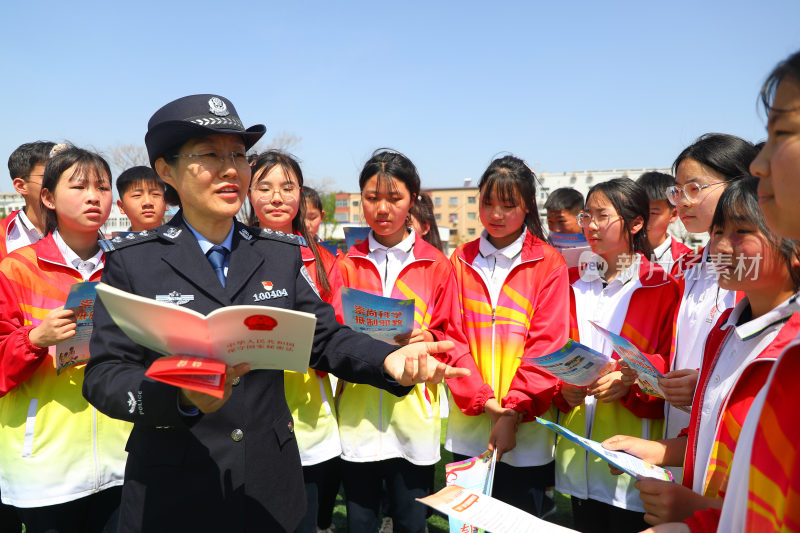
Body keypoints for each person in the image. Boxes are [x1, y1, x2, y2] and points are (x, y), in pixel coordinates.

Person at [81, 94, 469, 533]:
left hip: (269, 486)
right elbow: (104, 375)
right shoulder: (134, 262)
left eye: (238, 156)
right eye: (210, 155)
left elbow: (323, 338)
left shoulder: (276, 254)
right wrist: (179, 397)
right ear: (166, 170)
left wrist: (385, 360)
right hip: (174, 488)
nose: (231, 169)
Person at [602, 177, 800, 527]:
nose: (722, 246)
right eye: (718, 232)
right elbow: (714, 429)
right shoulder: (724, 331)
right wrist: (657, 451)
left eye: (741, 231)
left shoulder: (790, 353)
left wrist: (699, 513)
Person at [336, 149, 484, 533]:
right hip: (358, 415)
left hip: (415, 417)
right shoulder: (346, 263)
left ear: (413, 200)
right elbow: (331, 332)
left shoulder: (436, 264)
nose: (382, 208)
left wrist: (428, 336)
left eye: (394, 198)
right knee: (360, 523)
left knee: (411, 521)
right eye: (371, 198)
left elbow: (452, 332)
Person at [0, 144, 132, 533]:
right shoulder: (16, 269)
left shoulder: (127, 267)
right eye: (78, 187)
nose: (94, 196)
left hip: (124, 460)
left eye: (103, 187)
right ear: (47, 197)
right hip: (45, 468)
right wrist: (35, 339)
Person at [446, 155, 569, 517]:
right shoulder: (460, 260)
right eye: (487, 202)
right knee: (470, 522)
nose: (495, 214)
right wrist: (485, 402)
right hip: (471, 425)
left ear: (528, 206)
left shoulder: (548, 263)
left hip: (527, 431)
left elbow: (548, 344)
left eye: (508, 204)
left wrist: (512, 411)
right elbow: (452, 337)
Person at [554, 178, 679, 533]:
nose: (591, 226)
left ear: (635, 223)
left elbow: (672, 365)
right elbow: (552, 351)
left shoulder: (662, 287)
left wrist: (630, 382)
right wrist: (562, 388)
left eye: (602, 216)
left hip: (631, 457)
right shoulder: (571, 283)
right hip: (577, 454)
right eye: (586, 216)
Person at [247, 150, 342, 533]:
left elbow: (334, 333)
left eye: (288, 188)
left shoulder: (324, 260)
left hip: (312, 414)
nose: (276, 197)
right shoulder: (233, 252)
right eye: (264, 187)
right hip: (254, 412)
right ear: (247, 193)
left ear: (300, 194)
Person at [659, 134, 757, 474]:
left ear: (740, 183)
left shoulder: (760, 275)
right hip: (680, 444)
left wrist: (705, 381)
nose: (681, 201)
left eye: (694, 188)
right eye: (676, 190)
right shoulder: (686, 268)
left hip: (733, 448)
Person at [1, 141, 55, 258]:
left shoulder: (86, 234)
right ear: (21, 186)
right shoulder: (3, 236)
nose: (59, 183)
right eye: (50, 176)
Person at [636, 171, 691, 275]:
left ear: (674, 215)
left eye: (653, 213)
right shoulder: (617, 254)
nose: (642, 219)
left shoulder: (685, 260)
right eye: (638, 211)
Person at [115, 166, 167, 232]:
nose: (148, 202)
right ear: (121, 207)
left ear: (166, 203)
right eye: (137, 195)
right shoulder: (115, 242)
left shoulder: (182, 241)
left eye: (155, 194)